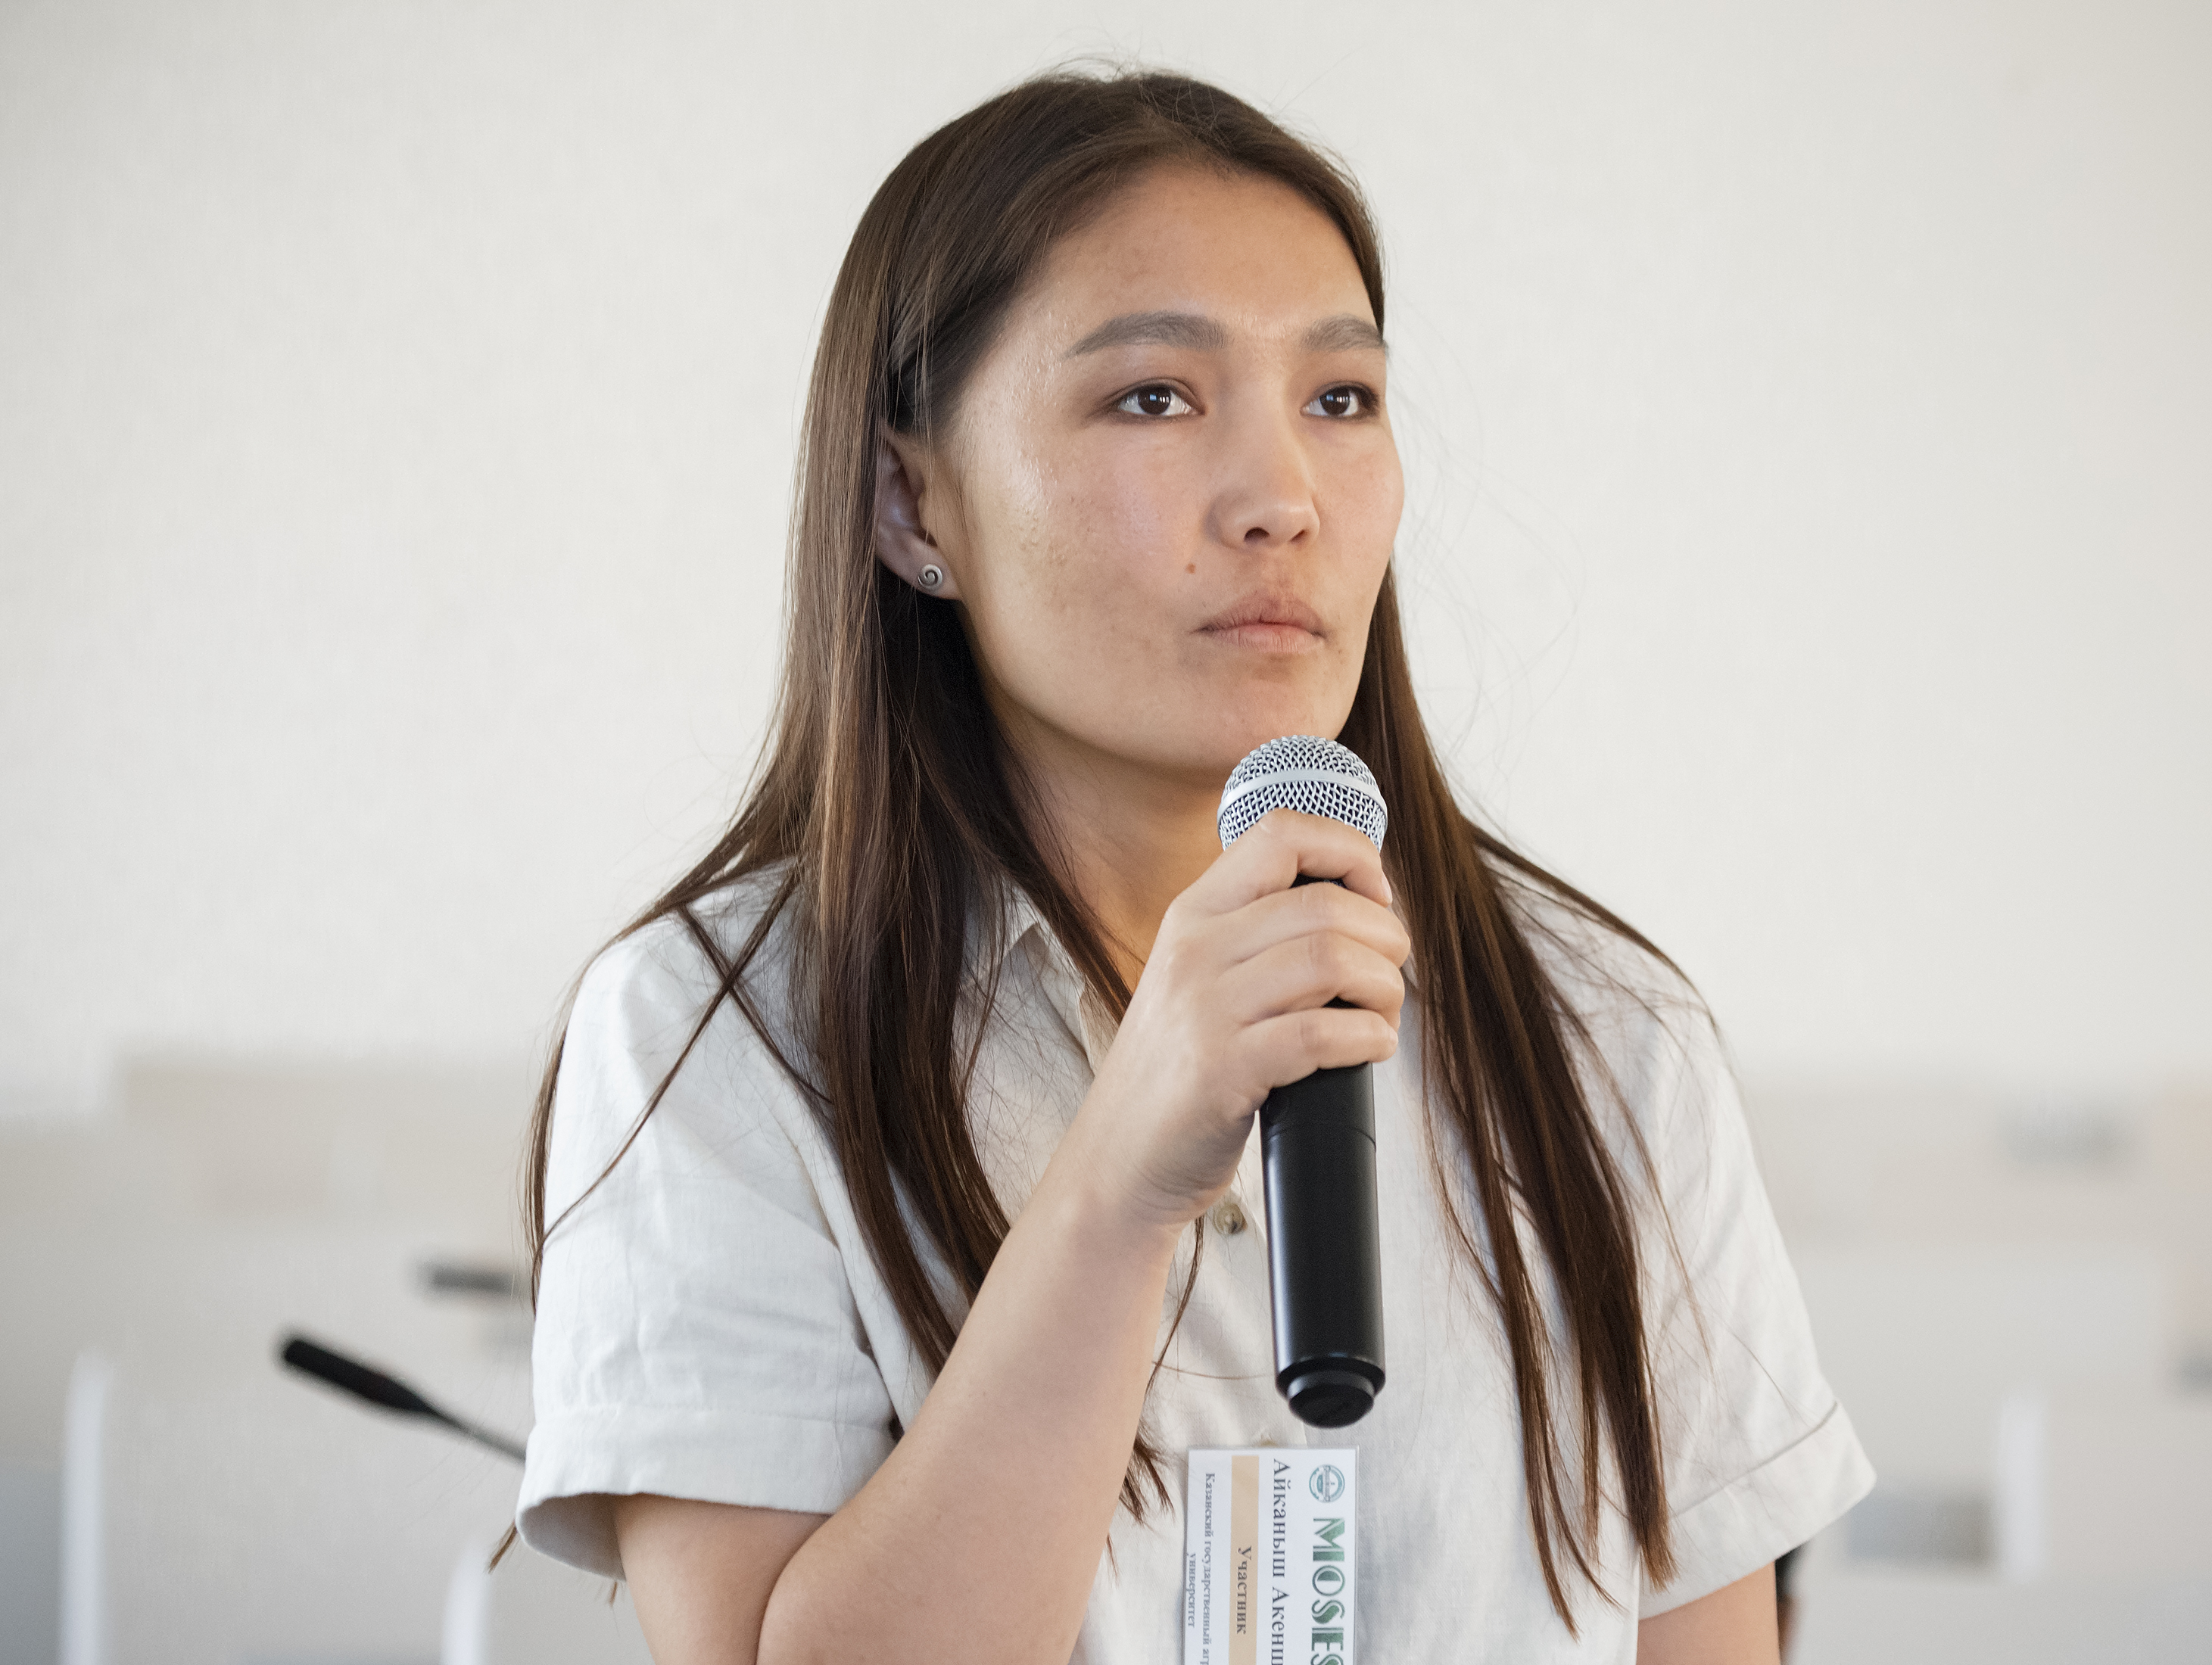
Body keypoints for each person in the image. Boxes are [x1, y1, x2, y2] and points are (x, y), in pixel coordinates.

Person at [504, 67, 1873, 1664]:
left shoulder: (1605, 1036)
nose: (1281, 498)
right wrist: (1123, 1176)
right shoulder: (713, 1031)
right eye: (1154, 397)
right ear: (911, 501)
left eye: (1340, 399)